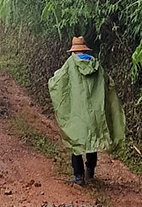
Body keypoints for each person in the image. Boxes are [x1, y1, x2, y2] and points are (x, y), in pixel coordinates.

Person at [48, 34, 125, 185]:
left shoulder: (71, 63)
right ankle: (90, 170)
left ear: (73, 51)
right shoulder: (97, 65)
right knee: (92, 140)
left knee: (76, 142)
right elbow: (109, 83)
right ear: (85, 49)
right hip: (95, 113)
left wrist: (52, 83)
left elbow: (58, 81)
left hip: (77, 112)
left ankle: (78, 176)